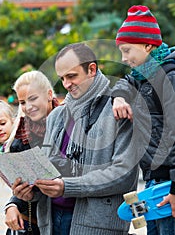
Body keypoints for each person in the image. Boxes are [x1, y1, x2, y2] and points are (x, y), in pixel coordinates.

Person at [11, 42, 142, 235]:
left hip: (96, 225)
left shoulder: (119, 109)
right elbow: (47, 168)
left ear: (91, 69)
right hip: (51, 221)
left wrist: (67, 187)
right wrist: (29, 193)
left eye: (72, 76)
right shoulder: (56, 116)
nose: (66, 84)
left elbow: (123, 175)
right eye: (62, 78)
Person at [111, 5, 175, 235]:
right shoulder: (143, 78)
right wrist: (119, 97)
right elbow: (124, 82)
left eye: (127, 50)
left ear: (148, 46)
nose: (124, 58)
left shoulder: (171, 79)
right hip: (154, 181)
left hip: (171, 183)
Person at [3, 70, 60, 235]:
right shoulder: (20, 137)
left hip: (69, 217)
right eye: (22, 102)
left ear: (49, 95)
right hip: (35, 222)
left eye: (33, 98)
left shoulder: (69, 124)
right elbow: (23, 184)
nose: (28, 107)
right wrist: (14, 202)